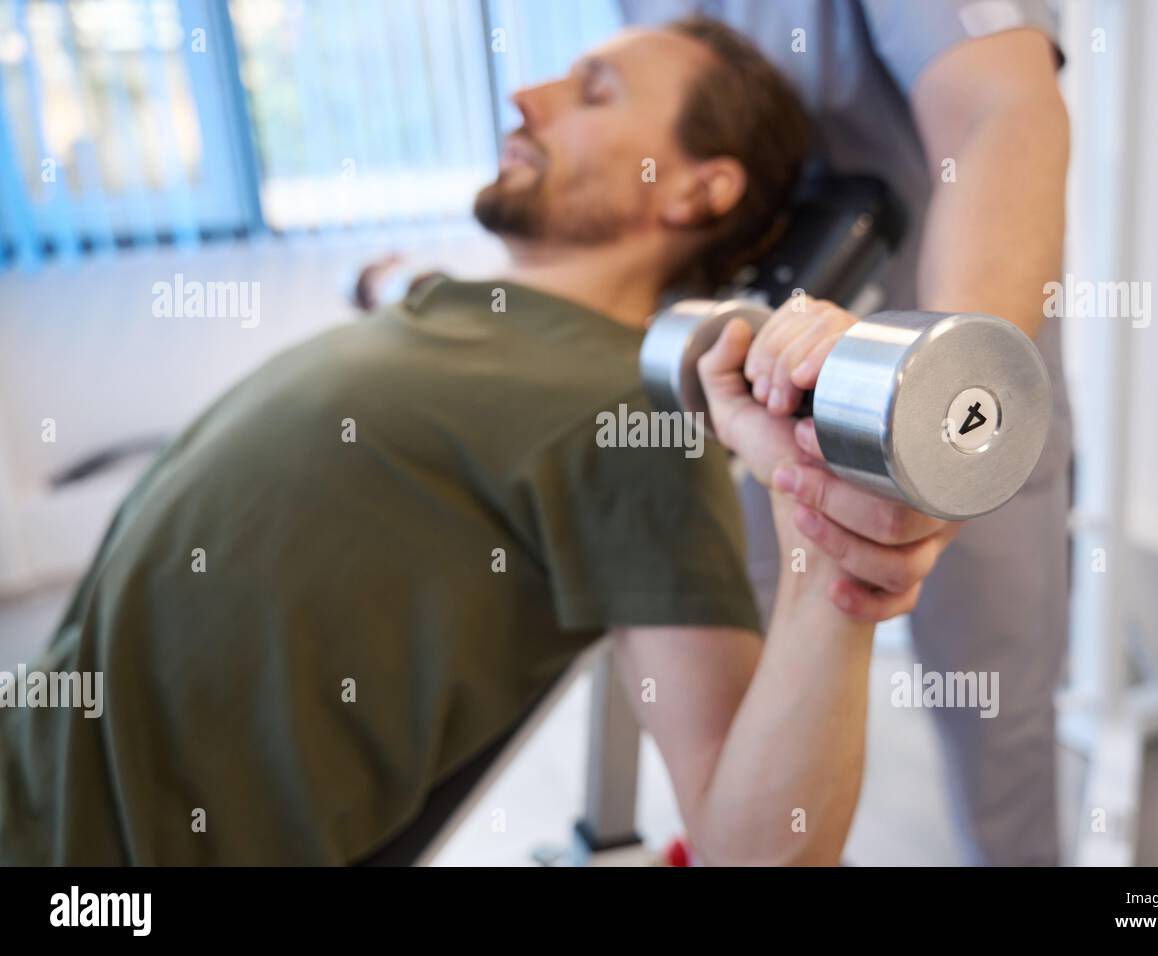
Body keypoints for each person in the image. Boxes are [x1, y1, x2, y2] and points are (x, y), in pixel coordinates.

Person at [0, 18, 937, 866]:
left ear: (698, 188)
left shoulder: (632, 417)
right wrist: (379, 277)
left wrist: (827, 553)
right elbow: (395, 278)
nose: (527, 99)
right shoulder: (445, 300)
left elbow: (754, 853)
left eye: (595, 91)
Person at [619, 0, 1074, 865]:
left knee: (991, 708)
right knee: (766, 721)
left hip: (948, 374)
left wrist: (938, 404)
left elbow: (999, 114)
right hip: (744, 392)